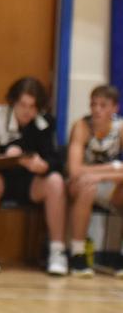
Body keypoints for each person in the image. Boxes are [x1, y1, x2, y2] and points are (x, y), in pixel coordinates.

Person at [0, 77, 68, 276]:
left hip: (26, 183)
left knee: (55, 182)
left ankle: (58, 251)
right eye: (22, 105)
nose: (27, 111)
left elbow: (56, 160)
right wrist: (4, 158)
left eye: (32, 107)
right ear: (12, 101)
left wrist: (43, 165)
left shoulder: (44, 122)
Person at [65, 84, 123, 277]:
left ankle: (119, 258)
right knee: (87, 186)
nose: (97, 109)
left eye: (103, 105)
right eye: (93, 104)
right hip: (77, 184)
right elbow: (74, 170)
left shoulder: (120, 129)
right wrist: (113, 168)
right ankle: (78, 254)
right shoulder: (81, 127)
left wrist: (101, 174)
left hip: (104, 183)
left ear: (115, 108)